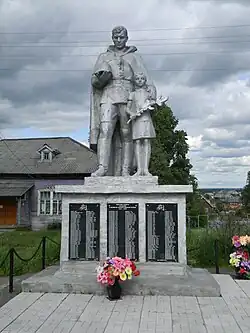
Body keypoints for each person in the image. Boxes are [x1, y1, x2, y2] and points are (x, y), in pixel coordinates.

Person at [89, 26, 156, 177]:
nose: (119, 40)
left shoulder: (135, 57)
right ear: (112, 38)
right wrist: (101, 77)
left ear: (127, 38)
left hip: (128, 97)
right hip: (108, 95)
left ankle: (125, 170)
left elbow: (145, 79)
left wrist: (150, 94)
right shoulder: (103, 57)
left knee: (127, 134)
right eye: (116, 37)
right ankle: (103, 168)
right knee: (105, 131)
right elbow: (94, 81)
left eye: (122, 37)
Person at [126, 73, 156, 176]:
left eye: (142, 79)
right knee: (138, 142)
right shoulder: (132, 94)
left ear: (145, 80)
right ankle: (139, 169)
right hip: (137, 120)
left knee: (147, 141)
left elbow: (153, 105)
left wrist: (150, 105)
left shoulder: (148, 94)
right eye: (137, 79)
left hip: (146, 118)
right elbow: (128, 108)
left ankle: (146, 169)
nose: (139, 80)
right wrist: (132, 114)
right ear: (135, 81)